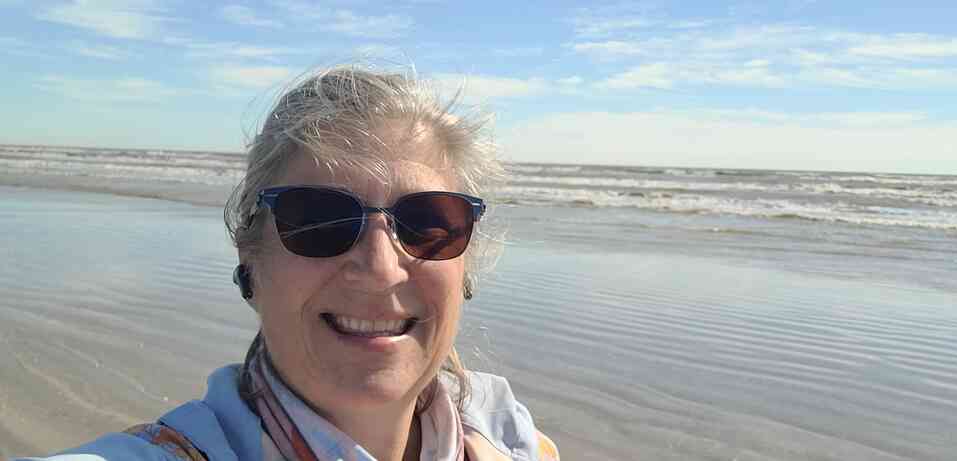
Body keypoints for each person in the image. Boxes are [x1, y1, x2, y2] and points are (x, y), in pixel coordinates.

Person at [18, 66, 559, 461]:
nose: (380, 268)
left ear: (464, 267)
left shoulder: (508, 431)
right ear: (250, 261)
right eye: (319, 219)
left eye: (428, 223)